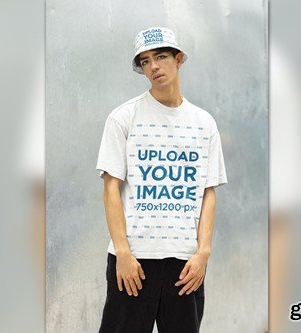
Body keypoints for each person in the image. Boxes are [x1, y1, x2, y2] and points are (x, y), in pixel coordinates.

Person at [96, 26, 227, 332]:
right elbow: (111, 188)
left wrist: (203, 252)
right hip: (134, 262)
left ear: (179, 59)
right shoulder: (124, 118)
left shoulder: (204, 124)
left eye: (161, 56)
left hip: (185, 264)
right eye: (144, 61)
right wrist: (124, 253)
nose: (153, 66)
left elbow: (208, 191)